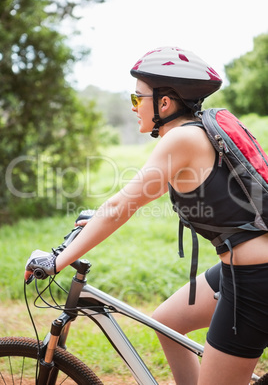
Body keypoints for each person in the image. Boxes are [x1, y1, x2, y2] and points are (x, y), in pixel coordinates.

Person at [25, 47, 268, 385]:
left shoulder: (182, 139)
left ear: (164, 103)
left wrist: (57, 261)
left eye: (137, 98)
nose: (134, 106)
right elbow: (200, 201)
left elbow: (123, 206)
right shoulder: (201, 131)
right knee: (167, 321)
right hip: (240, 270)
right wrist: (96, 219)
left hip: (255, 280)